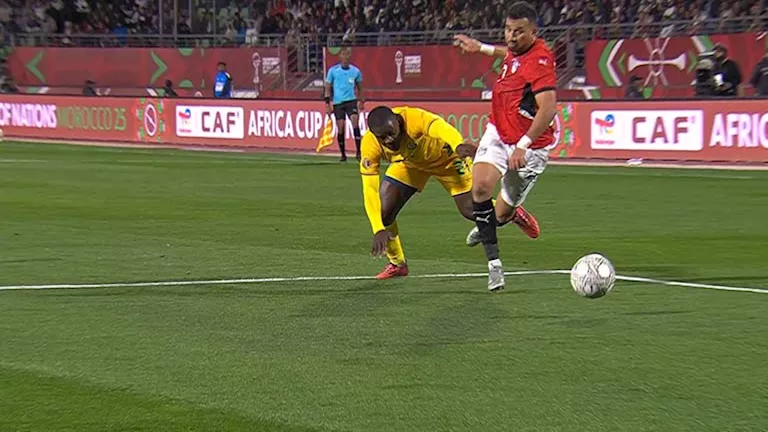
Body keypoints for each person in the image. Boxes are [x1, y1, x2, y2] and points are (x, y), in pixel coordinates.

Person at [453, 1, 556, 292]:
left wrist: (522, 146)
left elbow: (548, 109)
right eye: (508, 29)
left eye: (519, 31)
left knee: (500, 214)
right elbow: (508, 53)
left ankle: (511, 215)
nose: (511, 36)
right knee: (480, 189)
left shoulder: (540, 62)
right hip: (498, 131)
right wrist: (480, 48)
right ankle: (494, 266)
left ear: (534, 33)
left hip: (531, 148)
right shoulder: (517, 50)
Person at [361, 105, 478, 279]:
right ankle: (397, 263)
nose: (388, 140)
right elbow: (369, 188)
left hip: (446, 160)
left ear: (398, 121)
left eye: (391, 133)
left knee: (470, 210)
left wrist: (457, 145)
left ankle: (510, 212)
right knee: (384, 213)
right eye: (382, 137)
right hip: (412, 164)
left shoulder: (413, 118)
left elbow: (440, 127)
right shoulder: (370, 144)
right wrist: (378, 228)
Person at [325, 47, 364, 162]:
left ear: (349, 57)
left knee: (355, 122)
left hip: (351, 101)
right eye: (343, 55)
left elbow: (360, 88)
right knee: (341, 128)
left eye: (347, 55)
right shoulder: (333, 71)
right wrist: (327, 104)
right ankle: (343, 154)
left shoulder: (355, 71)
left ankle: (359, 152)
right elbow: (327, 87)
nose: (345, 57)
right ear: (340, 57)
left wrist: (361, 101)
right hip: (338, 103)